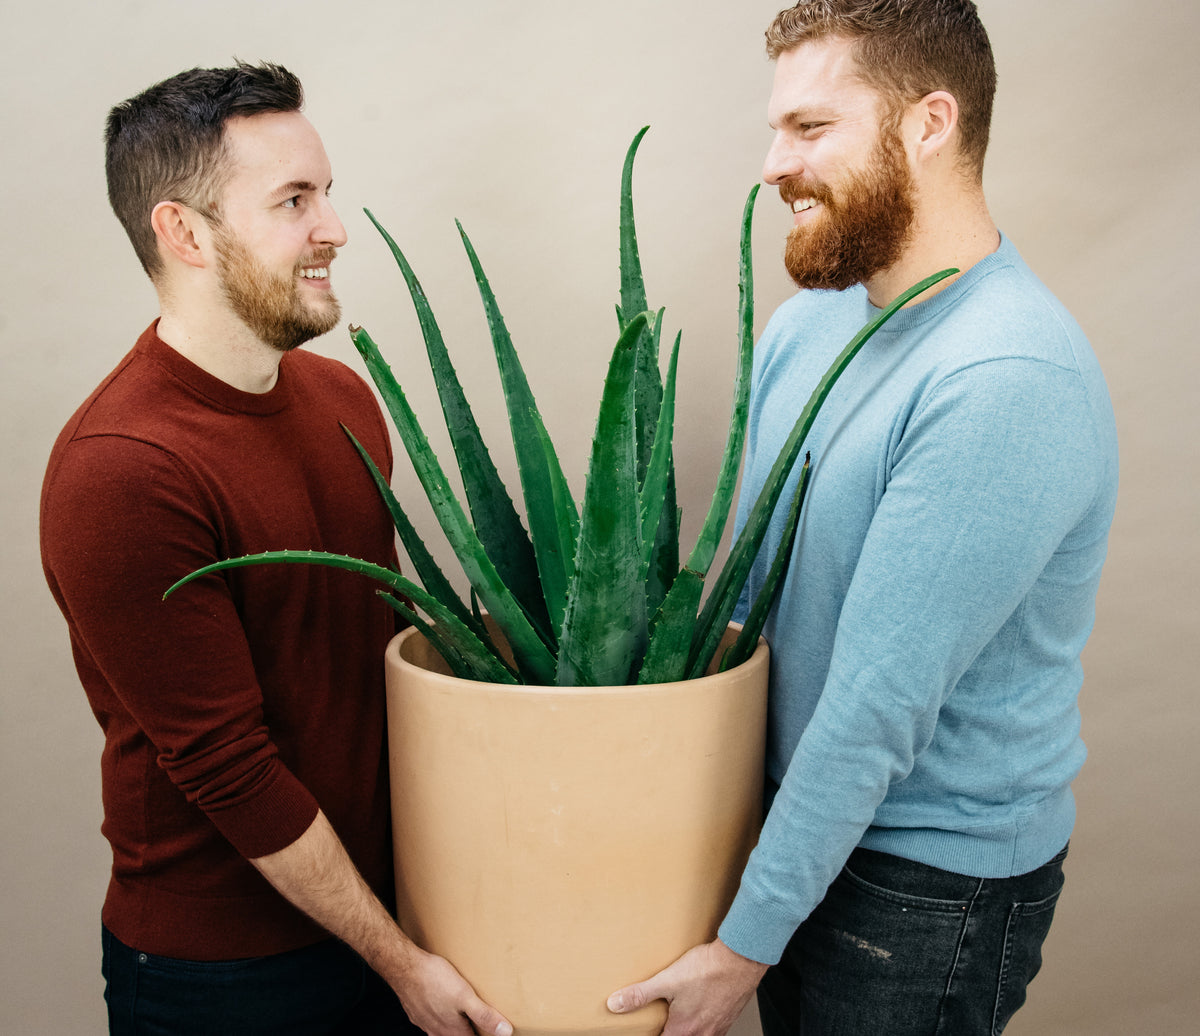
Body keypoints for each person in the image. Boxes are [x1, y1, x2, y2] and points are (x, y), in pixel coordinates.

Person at [607, 2, 1118, 1034]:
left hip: (923, 888)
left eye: (808, 129)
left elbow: (874, 706)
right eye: (775, 130)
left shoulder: (1004, 374)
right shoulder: (814, 326)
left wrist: (745, 941)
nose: (770, 164)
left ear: (929, 124)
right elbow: (751, 610)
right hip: (800, 839)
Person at [40, 62, 511, 1036]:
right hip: (221, 976)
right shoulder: (123, 470)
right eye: (294, 200)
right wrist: (402, 961)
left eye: (325, 193)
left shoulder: (344, 402)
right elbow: (231, 770)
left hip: (384, 932)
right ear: (184, 233)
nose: (333, 228)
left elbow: (366, 663)